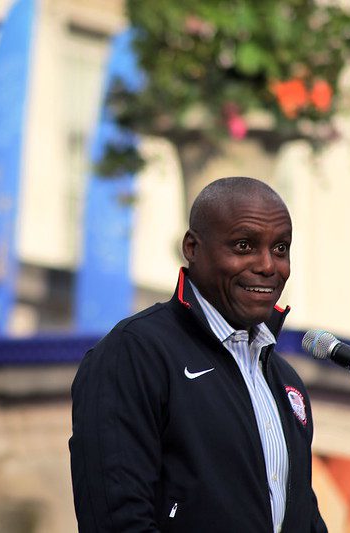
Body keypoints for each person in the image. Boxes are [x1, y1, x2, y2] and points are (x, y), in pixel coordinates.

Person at [70, 177, 327, 531]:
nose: (268, 266)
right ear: (192, 247)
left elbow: (303, 518)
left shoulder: (285, 381)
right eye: (244, 245)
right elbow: (117, 518)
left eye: (280, 248)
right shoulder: (135, 352)